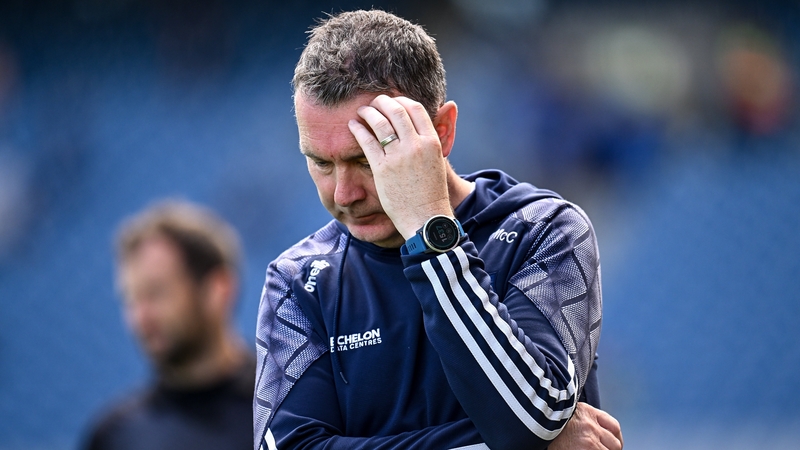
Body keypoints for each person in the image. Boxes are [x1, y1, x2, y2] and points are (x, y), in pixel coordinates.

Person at [254, 9, 623, 450]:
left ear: (441, 132)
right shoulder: (299, 280)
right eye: (320, 162)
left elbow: (531, 415)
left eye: (366, 158)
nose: (344, 193)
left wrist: (430, 230)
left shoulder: (544, 230)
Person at [83, 200, 255, 450]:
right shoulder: (117, 436)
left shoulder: (297, 409)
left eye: (156, 293)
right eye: (131, 299)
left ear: (217, 290)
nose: (141, 316)